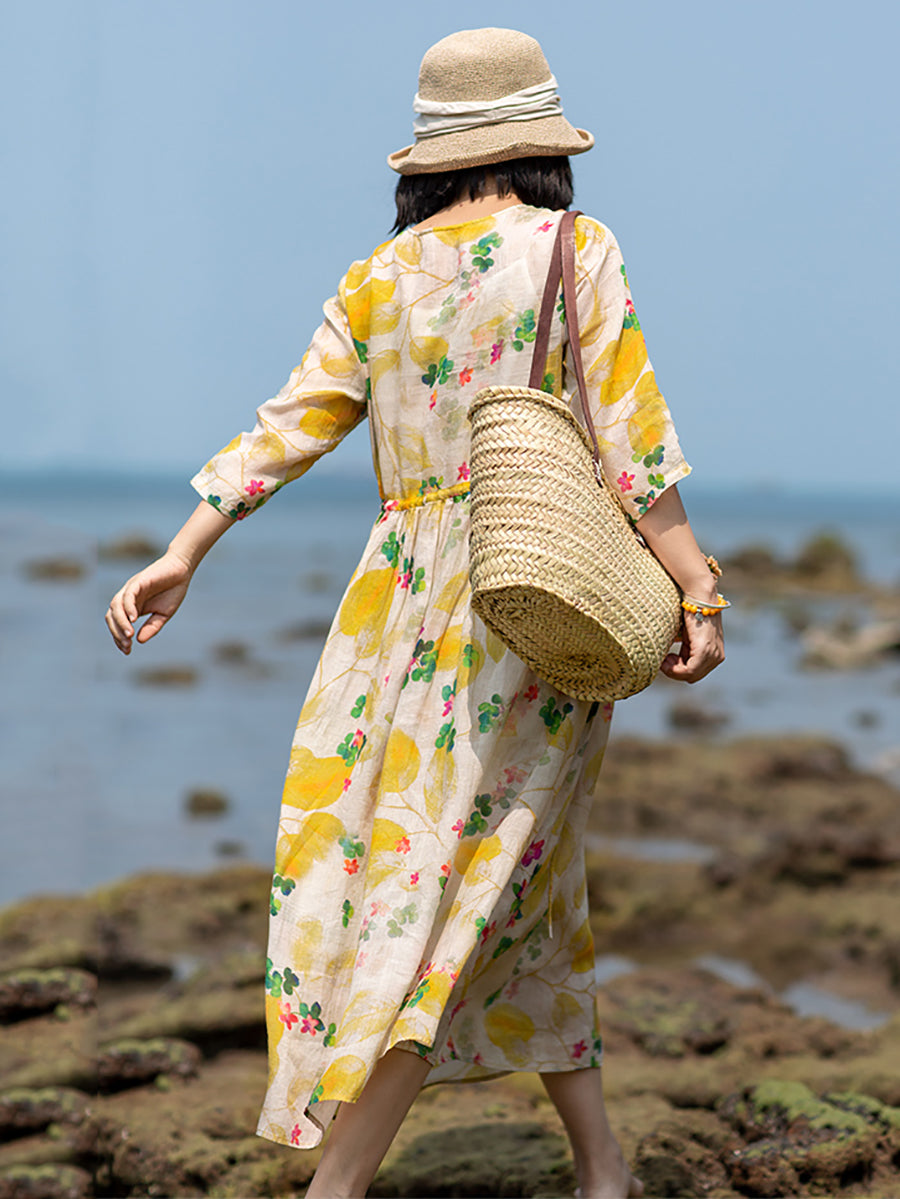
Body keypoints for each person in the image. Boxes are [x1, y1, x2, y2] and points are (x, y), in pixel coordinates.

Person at [106, 27, 725, 1199]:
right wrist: (698, 584)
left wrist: (183, 549)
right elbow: (634, 444)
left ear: (431, 153)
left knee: (512, 875)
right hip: (528, 598)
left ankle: (602, 1167)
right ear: (541, 141)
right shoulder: (573, 247)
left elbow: (286, 425)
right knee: (454, 890)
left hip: (391, 608)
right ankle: (338, 1185)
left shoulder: (377, 276)